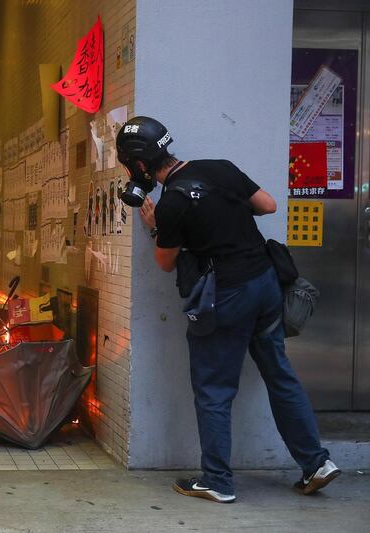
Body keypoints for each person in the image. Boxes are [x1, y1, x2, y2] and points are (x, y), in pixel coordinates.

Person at [117, 116, 340, 504]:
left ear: (139, 166)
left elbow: (166, 262)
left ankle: (217, 481)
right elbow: (268, 206)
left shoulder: (171, 203)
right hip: (266, 284)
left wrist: (156, 227)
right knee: (280, 375)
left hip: (227, 295)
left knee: (214, 389)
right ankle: (316, 463)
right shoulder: (220, 168)